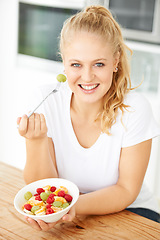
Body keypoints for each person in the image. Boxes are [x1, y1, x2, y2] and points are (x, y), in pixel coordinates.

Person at [17, 5, 160, 231]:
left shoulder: (135, 108)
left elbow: (126, 190)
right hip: (72, 214)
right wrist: (36, 141)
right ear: (63, 62)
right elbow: (44, 187)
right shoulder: (46, 100)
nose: (87, 76)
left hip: (133, 212)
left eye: (99, 64)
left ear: (115, 61)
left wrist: (72, 206)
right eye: (76, 64)